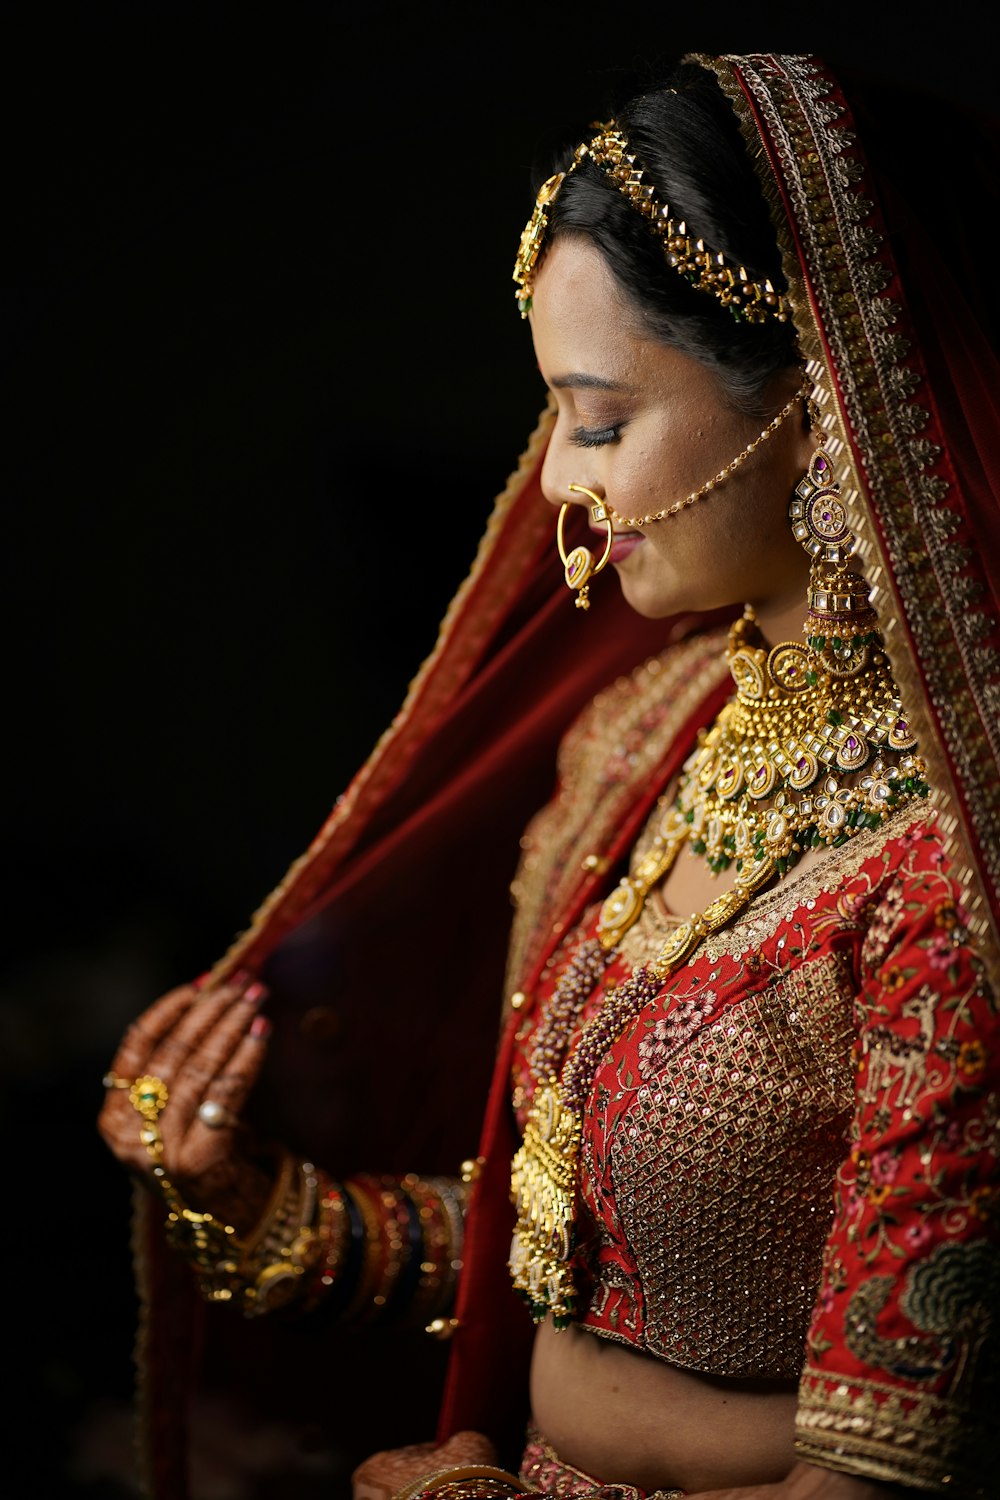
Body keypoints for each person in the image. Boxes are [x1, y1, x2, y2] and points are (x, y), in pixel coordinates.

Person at [98, 51, 1000, 1500]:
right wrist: (256, 1205)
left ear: (824, 403)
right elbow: (573, 1244)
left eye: (597, 422)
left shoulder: (952, 863)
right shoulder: (643, 741)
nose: (560, 489)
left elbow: (883, 1476)